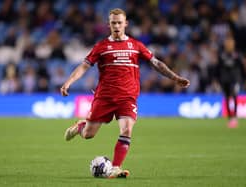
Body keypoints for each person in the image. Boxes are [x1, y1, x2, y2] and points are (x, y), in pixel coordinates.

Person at [60, 8, 190, 178]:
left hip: (128, 97)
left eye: (119, 22)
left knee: (127, 129)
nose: (116, 25)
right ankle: (81, 126)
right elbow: (84, 66)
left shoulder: (136, 45)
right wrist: (68, 82)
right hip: (105, 97)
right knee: (88, 134)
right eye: (113, 22)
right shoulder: (101, 46)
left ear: (125, 24)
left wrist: (175, 77)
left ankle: (116, 167)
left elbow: (156, 63)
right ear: (109, 24)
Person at [216, 34, 244, 128]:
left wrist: (245, 79)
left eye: (230, 43)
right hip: (225, 79)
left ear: (233, 44)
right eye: (227, 42)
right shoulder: (222, 54)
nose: (229, 44)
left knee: (234, 96)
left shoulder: (237, 54)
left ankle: (234, 117)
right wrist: (216, 79)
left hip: (235, 78)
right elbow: (218, 68)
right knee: (227, 98)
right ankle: (230, 118)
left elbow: (241, 67)